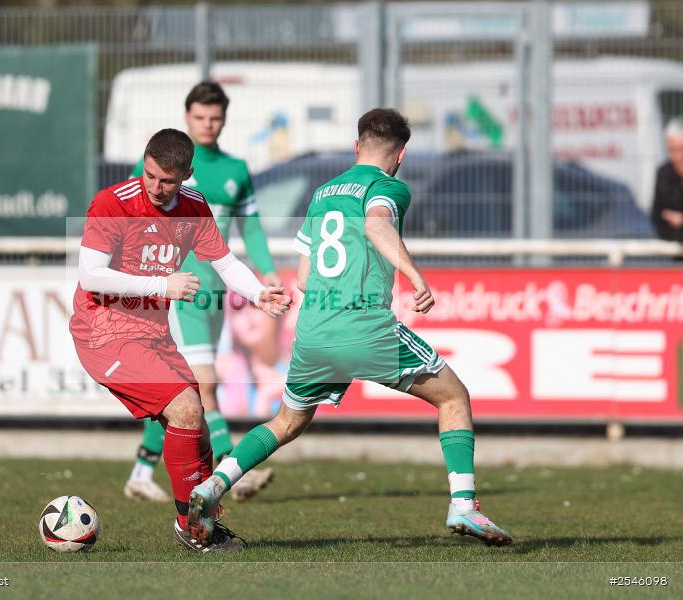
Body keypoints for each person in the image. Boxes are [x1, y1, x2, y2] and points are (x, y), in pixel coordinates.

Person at [186, 108, 513, 547]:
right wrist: (415, 276)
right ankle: (464, 505)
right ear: (401, 155)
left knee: (286, 421)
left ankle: (213, 486)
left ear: (357, 146)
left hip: (314, 331)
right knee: (453, 396)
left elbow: (302, 276)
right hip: (364, 326)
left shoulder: (322, 193)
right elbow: (377, 222)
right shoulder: (389, 186)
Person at [70, 128, 290, 552]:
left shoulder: (194, 207)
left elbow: (224, 263)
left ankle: (198, 520)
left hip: (152, 334)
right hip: (104, 332)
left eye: (167, 180)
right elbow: (89, 275)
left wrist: (258, 293)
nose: (155, 187)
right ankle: (193, 528)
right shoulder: (112, 203)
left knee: (199, 427)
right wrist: (161, 285)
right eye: (150, 175)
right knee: (187, 408)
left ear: (187, 175)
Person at [124, 81, 280, 503]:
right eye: (200, 117)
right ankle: (233, 468)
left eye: (215, 118)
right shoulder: (167, 168)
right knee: (202, 386)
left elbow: (250, 228)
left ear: (224, 120)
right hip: (182, 291)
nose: (208, 125)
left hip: (215, 292)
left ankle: (141, 470)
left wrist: (265, 273)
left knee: (180, 386)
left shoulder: (236, 171)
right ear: (186, 117)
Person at [652, 117, 683, 244]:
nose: (680, 156)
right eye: (673, 150)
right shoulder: (664, 173)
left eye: (682, 149)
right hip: (672, 246)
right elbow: (658, 214)